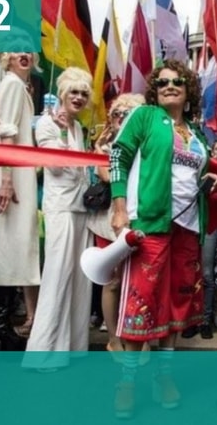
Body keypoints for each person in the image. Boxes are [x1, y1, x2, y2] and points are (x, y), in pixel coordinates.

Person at [109, 59, 217, 419]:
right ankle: (126, 383)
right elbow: (118, 155)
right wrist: (119, 206)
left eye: (177, 82)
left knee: (175, 302)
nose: (169, 86)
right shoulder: (144, 118)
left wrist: (212, 182)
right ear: (155, 91)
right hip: (152, 225)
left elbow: (201, 177)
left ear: (189, 92)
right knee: (142, 301)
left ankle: (164, 376)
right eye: (162, 82)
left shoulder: (198, 135)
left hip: (187, 229)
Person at [22, 67, 93, 369]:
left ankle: (73, 348)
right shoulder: (49, 124)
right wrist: (62, 131)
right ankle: (43, 353)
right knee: (58, 276)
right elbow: (54, 166)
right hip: (61, 208)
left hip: (81, 210)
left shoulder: (78, 127)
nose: (78, 98)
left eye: (83, 93)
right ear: (62, 94)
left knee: (80, 280)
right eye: (73, 92)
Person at [0, 53, 41, 350]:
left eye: (27, 50)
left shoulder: (17, 85)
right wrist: (7, 179)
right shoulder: (13, 85)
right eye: (15, 51)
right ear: (6, 59)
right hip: (10, 174)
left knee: (0, 245)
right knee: (8, 244)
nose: (23, 55)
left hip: (9, 172)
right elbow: (6, 133)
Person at [85, 93, 145, 355]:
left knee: (137, 281)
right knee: (113, 281)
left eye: (129, 114)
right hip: (109, 221)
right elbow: (107, 176)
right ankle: (113, 338)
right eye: (119, 114)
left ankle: (139, 337)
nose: (123, 118)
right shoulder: (106, 147)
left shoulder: (146, 146)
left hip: (137, 218)